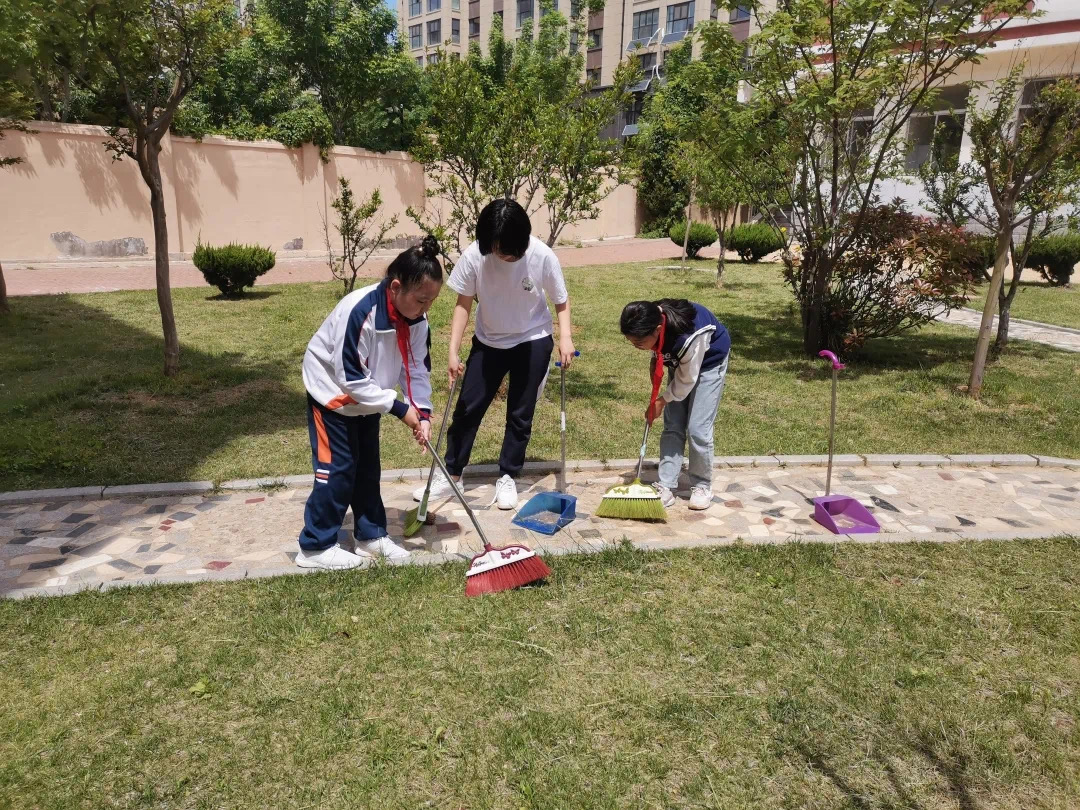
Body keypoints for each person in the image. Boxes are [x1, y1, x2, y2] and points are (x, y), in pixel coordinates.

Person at [413, 199, 576, 510]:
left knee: (520, 414)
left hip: (533, 340)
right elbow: (463, 303)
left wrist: (565, 339)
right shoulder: (475, 255)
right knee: (466, 411)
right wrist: (452, 350)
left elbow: (561, 300)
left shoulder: (542, 256)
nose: (506, 255)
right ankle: (452, 474)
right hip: (489, 342)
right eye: (499, 248)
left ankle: (508, 477)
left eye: (512, 250)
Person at [296, 236, 443, 570]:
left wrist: (422, 412)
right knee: (337, 469)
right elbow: (350, 376)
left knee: (366, 468)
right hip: (332, 395)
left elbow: (416, 369)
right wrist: (400, 408)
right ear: (395, 287)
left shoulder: (417, 321)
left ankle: (370, 534)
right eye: (421, 300)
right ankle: (315, 545)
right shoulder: (359, 311)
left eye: (431, 302)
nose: (425, 310)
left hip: (370, 398)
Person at [619, 298, 730, 511]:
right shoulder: (650, 314)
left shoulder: (688, 336)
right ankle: (667, 485)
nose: (636, 348)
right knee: (673, 425)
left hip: (709, 361)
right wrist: (655, 360)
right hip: (681, 360)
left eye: (639, 343)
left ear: (658, 330)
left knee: (698, 429)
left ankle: (702, 485)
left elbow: (687, 379)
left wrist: (662, 400)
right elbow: (665, 356)